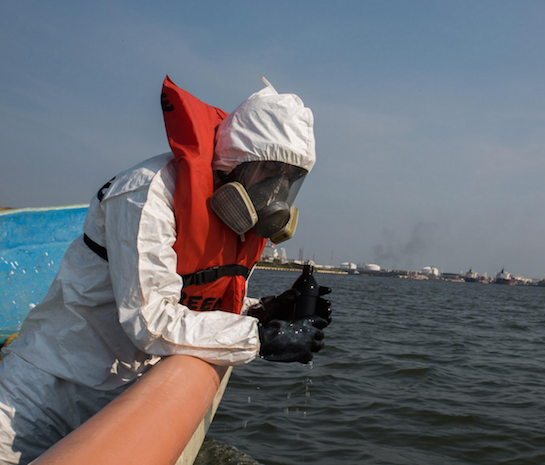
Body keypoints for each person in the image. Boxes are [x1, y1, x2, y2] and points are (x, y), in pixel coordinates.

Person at [0, 77, 331, 465]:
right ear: (234, 160)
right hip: (43, 398)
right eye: (271, 172)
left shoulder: (238, 230)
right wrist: (259, 338)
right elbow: (151, 320)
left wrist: (262, 310)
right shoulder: (148, 194)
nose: (276, 194)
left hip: (122, 397)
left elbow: (192, 305)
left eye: (289, 180)